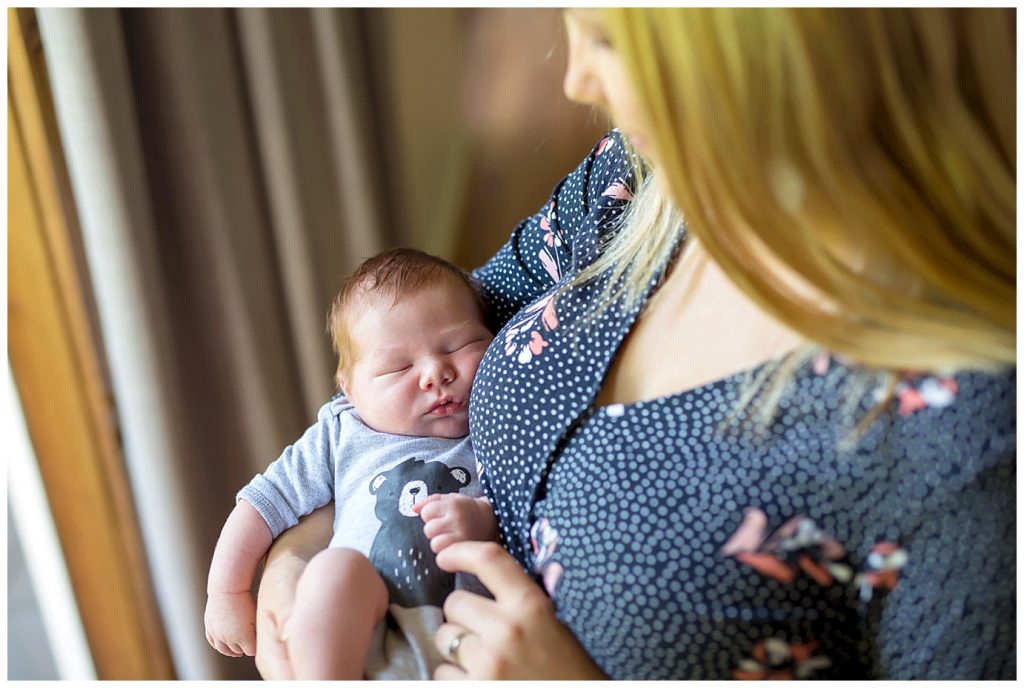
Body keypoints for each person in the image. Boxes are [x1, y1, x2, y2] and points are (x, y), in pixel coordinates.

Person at [254, 8, 1015, 680]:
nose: (576, 81)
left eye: (609, 42)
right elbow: (406, 338)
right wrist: (304, 543)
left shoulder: (966, 439)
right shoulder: (638, 184)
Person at [204, 248, 497, 679]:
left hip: (469, 641)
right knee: (333, 572)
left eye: (460, 345)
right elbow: (263, 502)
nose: (435, 373)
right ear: (349, 390)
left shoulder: (498, 420)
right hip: (358, 632)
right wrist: (226, 590)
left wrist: (482, 521)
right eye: (398, 367)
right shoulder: (344, 431)